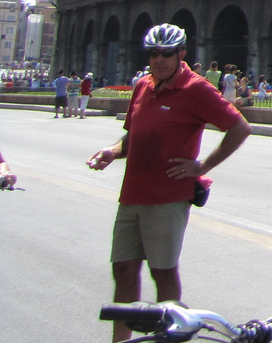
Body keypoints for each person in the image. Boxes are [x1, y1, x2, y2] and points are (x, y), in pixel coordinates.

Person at [86, 24, 250, 342]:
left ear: (181, 54)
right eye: (153, 53)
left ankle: (169, 337)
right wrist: (112, 151)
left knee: (162, 272)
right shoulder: (143, 86)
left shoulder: (196, 88)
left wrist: (203, 164)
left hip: (167, 197)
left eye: (167, 53)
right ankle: (121, 339)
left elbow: (240, 127)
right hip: (132, 194)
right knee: (123, 269)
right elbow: (132, 137)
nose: (159, 59)